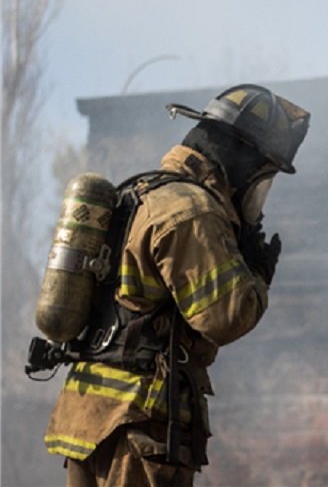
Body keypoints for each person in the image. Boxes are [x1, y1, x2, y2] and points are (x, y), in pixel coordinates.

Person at [41, 84, 310, 486]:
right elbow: (228, 316)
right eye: (263, 176)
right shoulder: (192, 211)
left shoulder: (140, 192)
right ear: (240, 160)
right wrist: (257, 273)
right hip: (137, 426)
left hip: (87, 418)